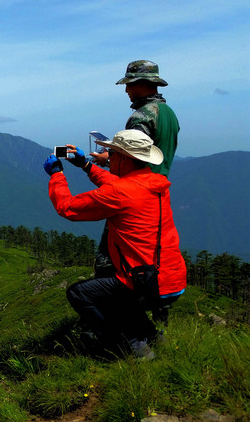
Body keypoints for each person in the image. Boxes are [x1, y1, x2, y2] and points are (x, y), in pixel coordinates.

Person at [43, 130, 186, 359]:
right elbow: (120, 184)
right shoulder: (155, 183)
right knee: (119, 292)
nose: (108, 156)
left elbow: (67, 207)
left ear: (125, 159)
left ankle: (126, 347)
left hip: (146, 283)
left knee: (81, 294)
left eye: (112, 153)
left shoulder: (121, 193)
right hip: (172, 278)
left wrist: (56, 174)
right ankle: (152, 337)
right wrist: (86, 166)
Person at [91, 60, 180, 281]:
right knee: (151, 254)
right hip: (158, 193)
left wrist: (107, 159)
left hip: (134, 193)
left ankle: (114, 309)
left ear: (141, 83)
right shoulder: (168, 113)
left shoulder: (142, 116)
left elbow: (135, 155)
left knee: (112, 257)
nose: (126, 90)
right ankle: (159, 306)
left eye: (129, 84)